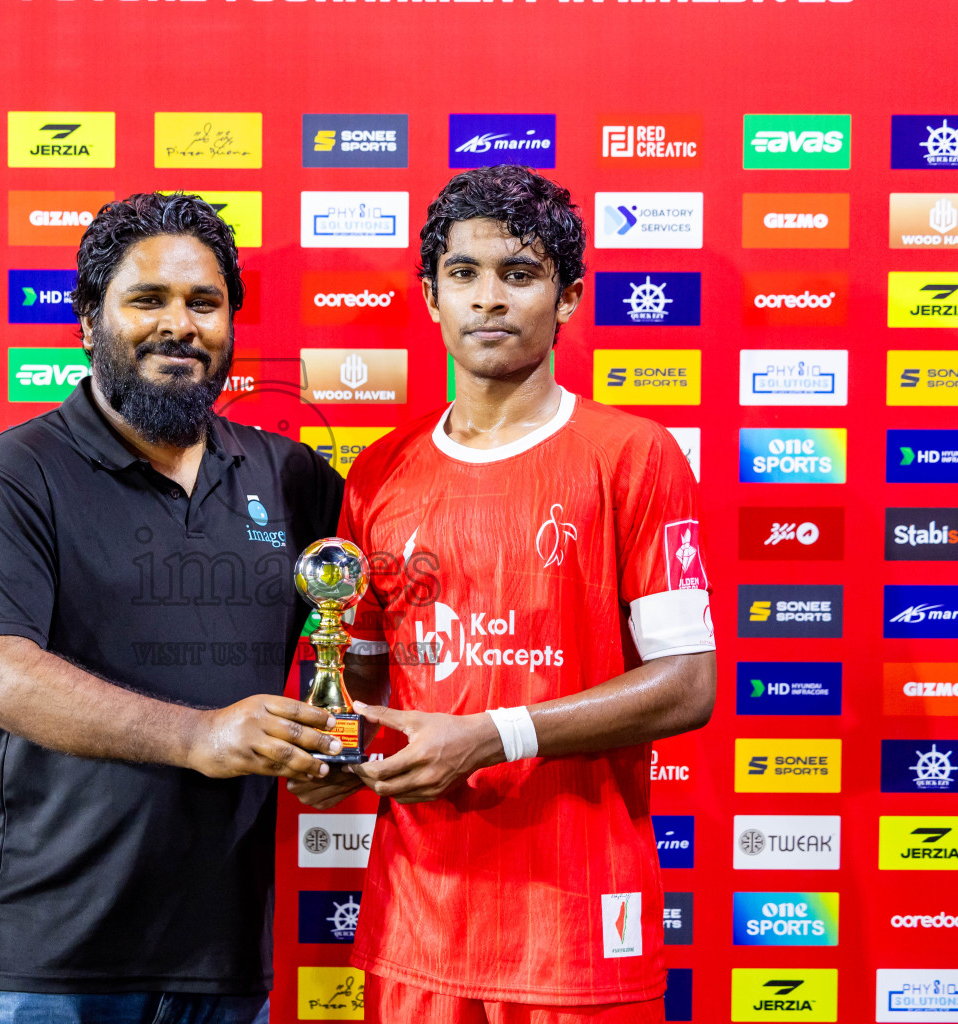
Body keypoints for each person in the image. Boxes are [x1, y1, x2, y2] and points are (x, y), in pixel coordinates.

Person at [289, 165, 717, 1024]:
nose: (489, 299)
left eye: (519, 275)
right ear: (431, 294)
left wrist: (492, 736)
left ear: (567, 299)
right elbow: (363, 676)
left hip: (575, 924)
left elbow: (688, 684)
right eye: (465, 274)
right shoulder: (378, 469)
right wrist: (333, 752)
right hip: (419, 922)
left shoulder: (633, 455)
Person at [0, 191, 346, 1024]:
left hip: (222, 955)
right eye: (147, 299)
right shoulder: (17, 473)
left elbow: (365, 638)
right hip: (49, 961)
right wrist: (199, 736)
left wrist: (336, 748)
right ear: (89, 320)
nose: (180, 325)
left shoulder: (291, 478)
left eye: (205, 302)